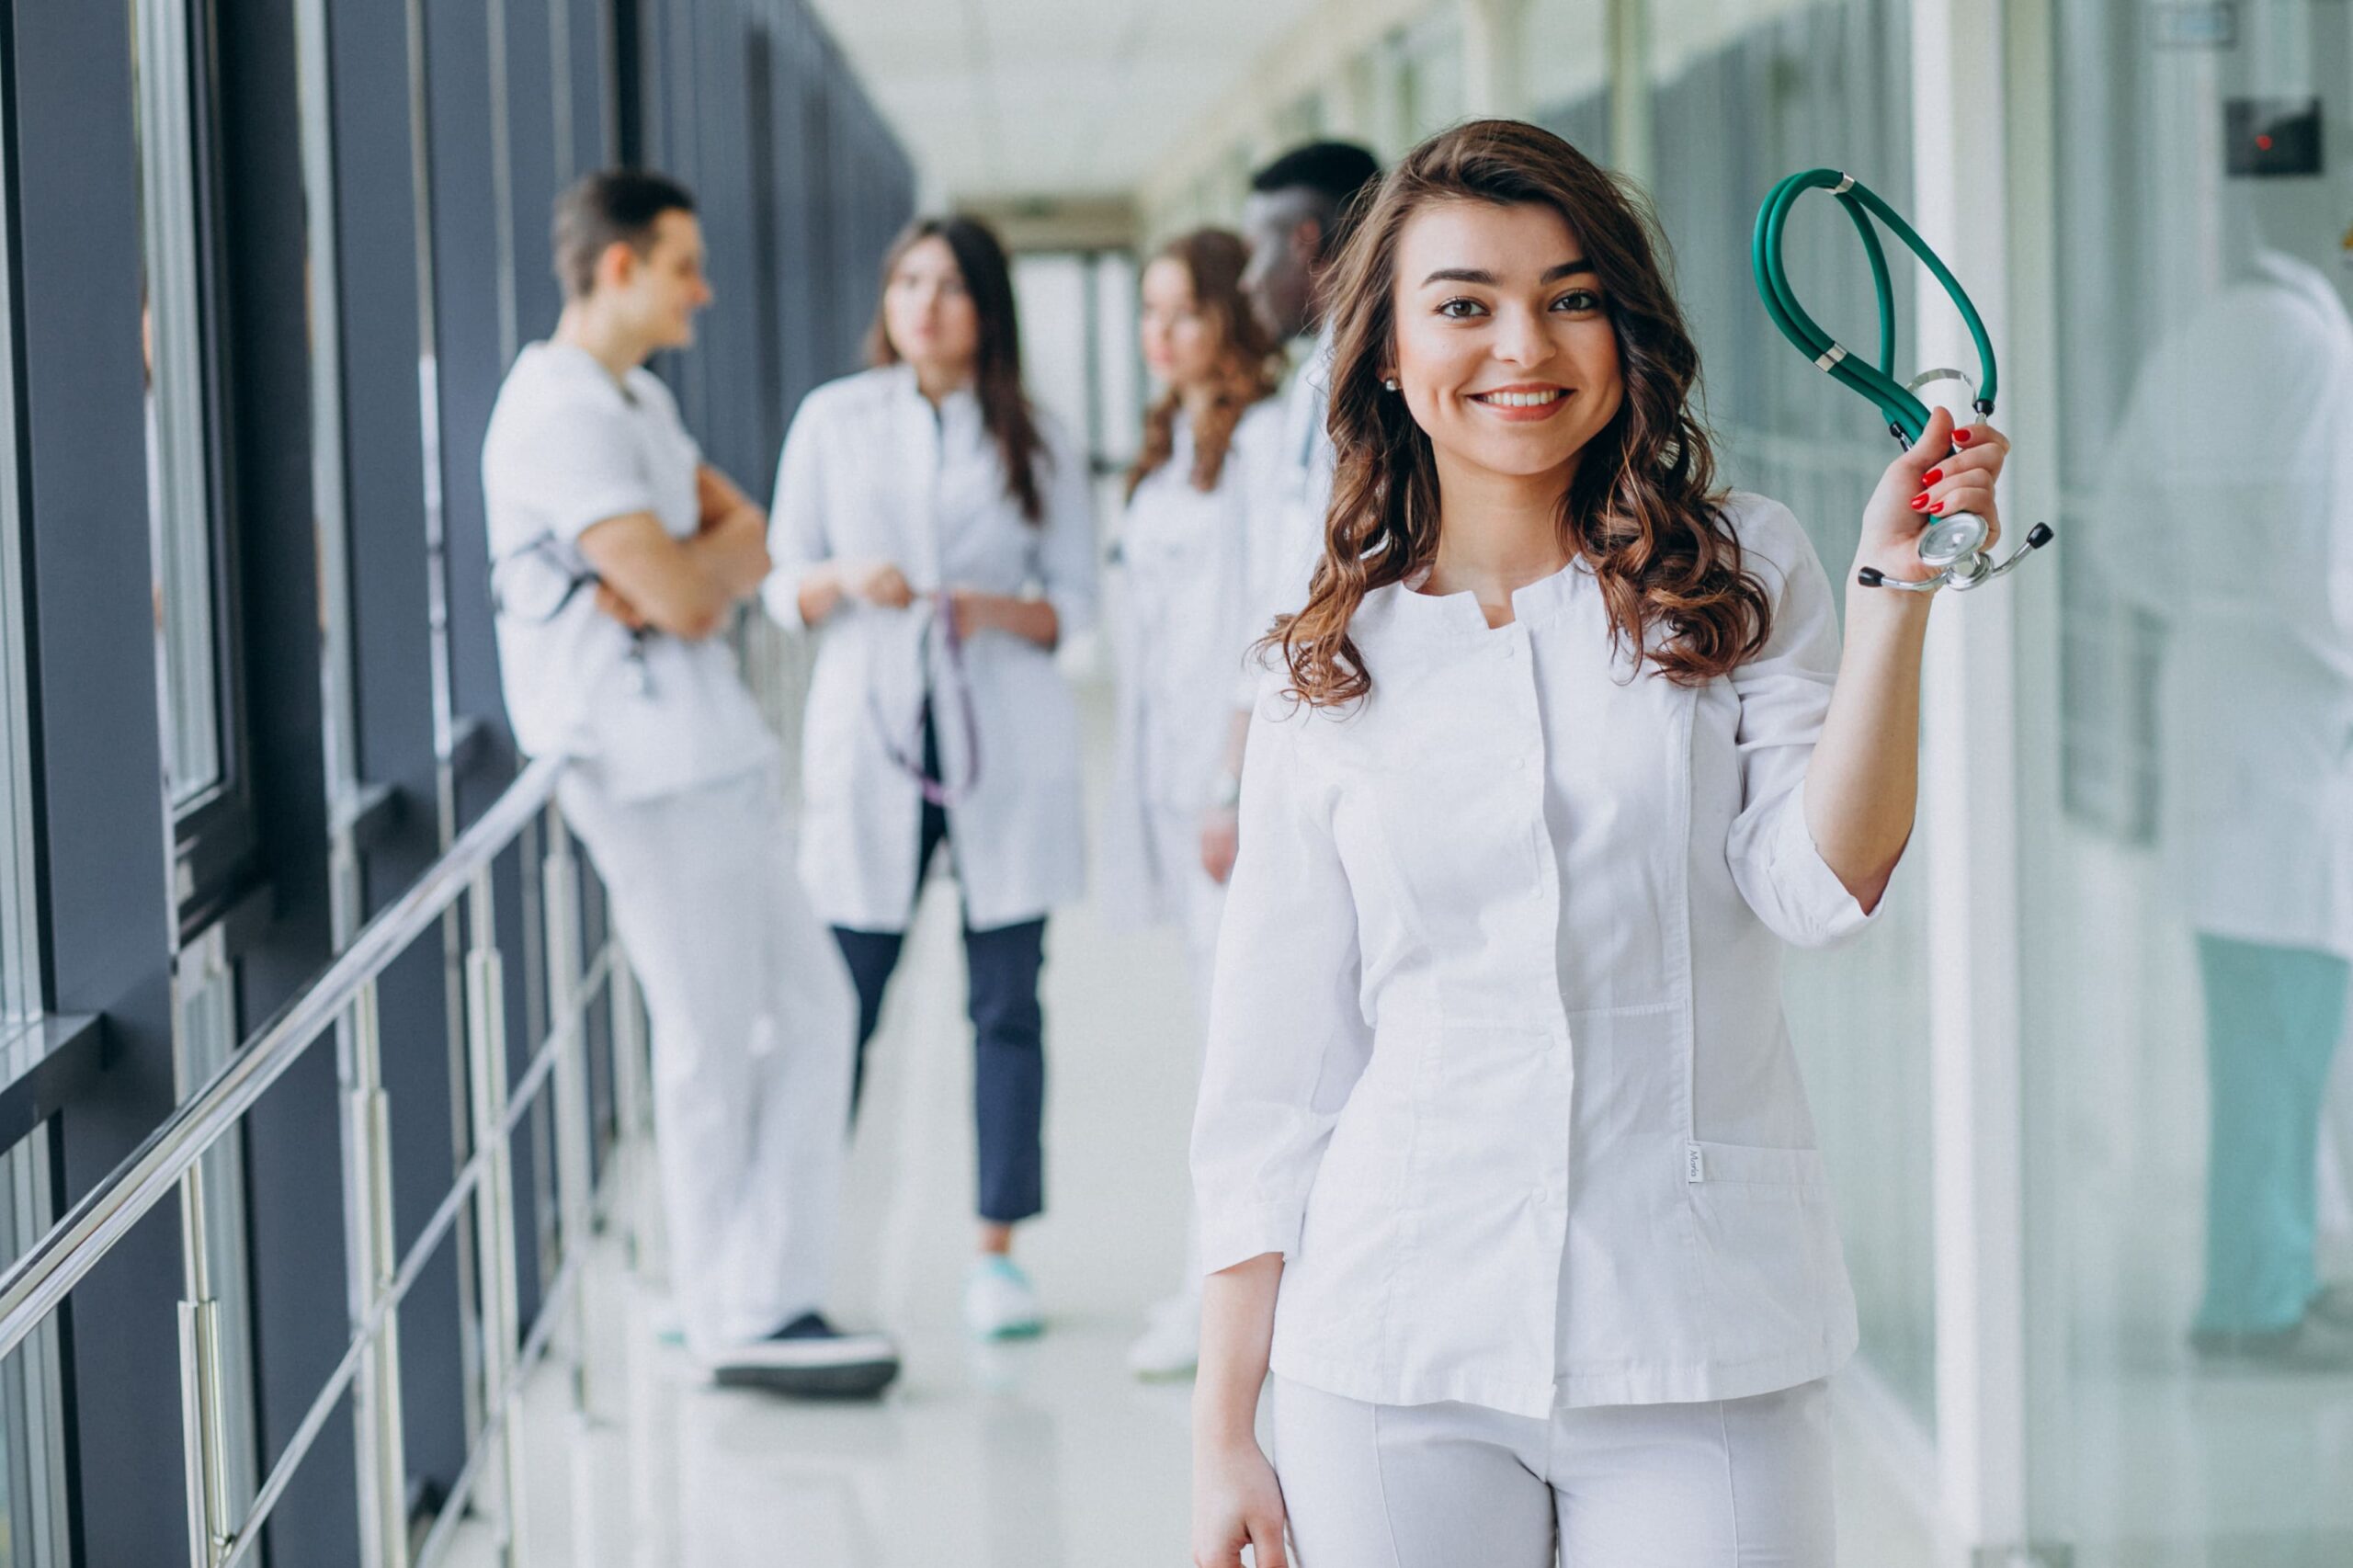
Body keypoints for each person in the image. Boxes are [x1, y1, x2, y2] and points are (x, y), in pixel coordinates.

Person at [1189, 119, 2010, 1563]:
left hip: (1698, 1332)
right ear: (1387, 350)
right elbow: (1273, 1069)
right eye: (1465, 305)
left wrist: (1897, 593)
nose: (1524, 343)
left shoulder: (1742, 570)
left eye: (1571, 296)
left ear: (1624, 331)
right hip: (1391, 1346)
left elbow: (1823, 880)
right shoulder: (1323, 664)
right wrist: (1221, 1432)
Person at [481, 169, 897, 1397]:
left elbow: (745, 538)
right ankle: (732, 1308)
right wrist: (680, 576)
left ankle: (766, 1286)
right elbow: (675, 593)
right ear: (618, 267)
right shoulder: (558, 412)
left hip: (708, 751)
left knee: (814, 1010)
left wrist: (686, 571)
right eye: (682, 266)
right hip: (643, 764)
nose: (703, 291)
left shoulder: (637, 402)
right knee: (712, 1036)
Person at [765, 216, 1097, 1342]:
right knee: (842, 996)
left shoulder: (1037, 439)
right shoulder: (833, 419)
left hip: (1000, 738)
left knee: (1006, 1002)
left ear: (985, 309)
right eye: (908, 280)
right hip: (871, 740)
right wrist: (843, 580)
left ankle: (996, 1252)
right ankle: (787, 1245)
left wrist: (988, 608)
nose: (925, 304)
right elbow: (780, 582)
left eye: (950, 286)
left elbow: (1076, 608)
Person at [2092, 205, 2353, 1369]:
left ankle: (2280, 1271)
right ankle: (2255, 1297)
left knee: (2263, 1028)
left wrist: (2212, 609)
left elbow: (2121, 539)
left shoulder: (2199, 341)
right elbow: (2321, 565)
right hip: (2294, 724)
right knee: (2288, 1032)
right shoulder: (2315, 354)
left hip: (2219, 700)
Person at [1104, 229, 1288, 1381]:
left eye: (1184, 310)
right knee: (1220, 1041)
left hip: (1228, 786)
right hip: (1171, 787)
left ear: (1231, 318)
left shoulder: (1267, 440)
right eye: (1148, 310)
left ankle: (1216, 1305)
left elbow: (1266, 617)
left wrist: (1231, 779)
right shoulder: (1173, 445)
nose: (1161, 333)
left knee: (1242, 1058)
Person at [1238, 139, 1383, 620]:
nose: (1248, 281)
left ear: (1307, 238)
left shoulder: (1374, 372)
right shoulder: (1322, 367)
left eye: (1256, 251)